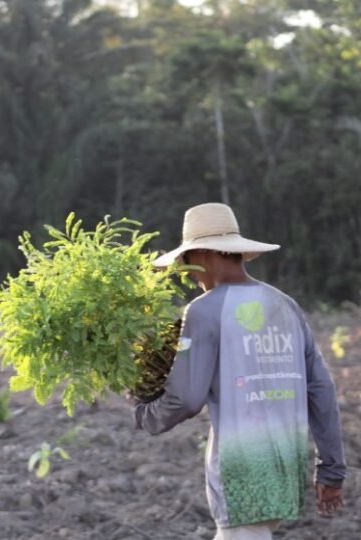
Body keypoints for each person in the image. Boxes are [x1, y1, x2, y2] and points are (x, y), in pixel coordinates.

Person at [131, 203, 345, 539]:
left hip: (240, 475)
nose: (190, 275)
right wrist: (331, 469)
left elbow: (186, 398)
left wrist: (145, 411)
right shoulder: (285, 305)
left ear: (201, 254)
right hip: (285, 468)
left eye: (187, 265)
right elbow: (321, 389)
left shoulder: (203, 311)